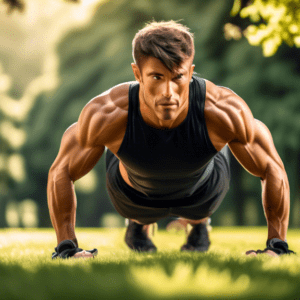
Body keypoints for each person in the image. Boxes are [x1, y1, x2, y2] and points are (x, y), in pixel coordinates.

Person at [48, 20, 294, 259]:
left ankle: (198, 224)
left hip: (203, 194)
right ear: (137, 73)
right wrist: (67, 247)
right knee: (116, 138)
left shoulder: (222, 109)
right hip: (133, 197)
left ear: (190, 72)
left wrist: (276, 246)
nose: (168, 93)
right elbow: (62, 170)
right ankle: (139, 224)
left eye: (177, 77)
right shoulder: (108, 112)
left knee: (222, 135)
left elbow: (272, 167)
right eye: (157, 77)